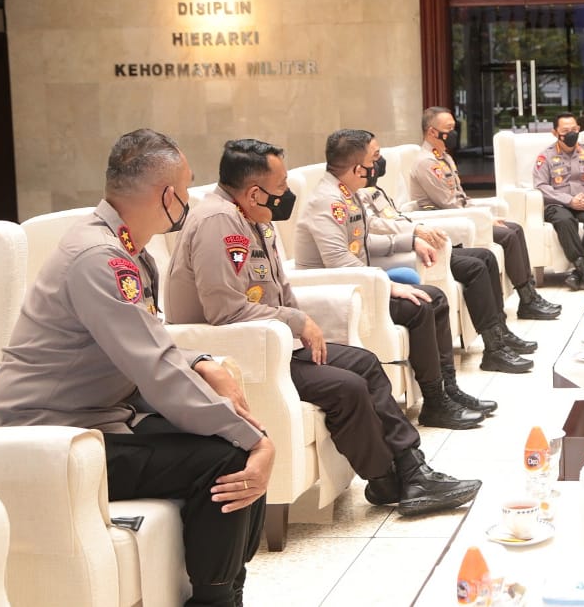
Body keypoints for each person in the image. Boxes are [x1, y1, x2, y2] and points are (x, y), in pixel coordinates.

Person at [0, 129, 270, 607]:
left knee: (232, 445)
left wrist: (203, 363)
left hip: (92, 423)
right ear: (168, 196)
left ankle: (228, 590)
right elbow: (155, 368)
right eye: (187, 188)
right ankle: (216, 600)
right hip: (48, 440)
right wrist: (254, 439)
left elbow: (146, 341)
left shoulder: (123, 248)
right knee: (230, 457)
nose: (191, 199)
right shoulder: (100, 258)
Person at [166, 138, 481, 517]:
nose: (287, 193)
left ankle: (413, 470)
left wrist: (300, 321)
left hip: (273, 342)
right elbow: (225, 311)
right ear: (254, 193)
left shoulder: (251, 217)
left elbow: (278, 291)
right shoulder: (219, 222)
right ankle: (386, 479)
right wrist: (298, 321)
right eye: (281, 186)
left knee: (365, 363)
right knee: (346, 387)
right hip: (240, 354)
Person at [294, 129, 486, 430]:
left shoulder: (347, 193)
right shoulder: (327, 202)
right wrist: (389, 285)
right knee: (420, 306)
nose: (378, 164)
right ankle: (435, 403)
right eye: (374, 158)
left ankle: (447, 389)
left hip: (360, 285)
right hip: (339, 297)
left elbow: (364, 238)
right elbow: (339, 262)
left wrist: (410, 239)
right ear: (357, 168)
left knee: (434, 297)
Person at [336, 128, 536, 374]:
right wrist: (412, 236)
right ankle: (493, 349)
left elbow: (396, 218)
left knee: (485, 257)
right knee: (474, 267)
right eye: (375, 156)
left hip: (409, 243)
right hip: (398, 255)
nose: (380, 161)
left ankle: (500, 333)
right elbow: (372, 229)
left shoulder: (373, 190)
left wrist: (417, 231)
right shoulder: (351, 198)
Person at [408, 106, 562, 321]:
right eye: (449, 129)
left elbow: (461, 199)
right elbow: (448, 204)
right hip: (445, 222)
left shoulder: (444, 158)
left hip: (462, 216)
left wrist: (486, 217)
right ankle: (527, 300)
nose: (453, 133)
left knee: (515, 228)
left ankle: (529, 296)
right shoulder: (426, 162)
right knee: (507, 235)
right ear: (432, 131)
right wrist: (484, 220)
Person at [534, 112, 584, 293]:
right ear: (555, 133)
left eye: (574, 129)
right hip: (557, 205)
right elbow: (541, 186)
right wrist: (570, 201)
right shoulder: (545, 157)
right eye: (565, 131)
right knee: (565, 221)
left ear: (578, 129)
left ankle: (578, 273)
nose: (571, 134)